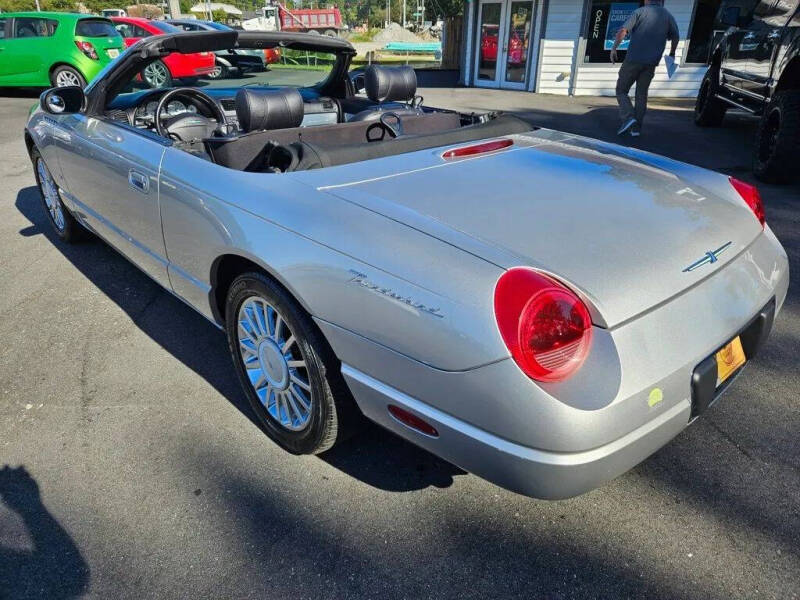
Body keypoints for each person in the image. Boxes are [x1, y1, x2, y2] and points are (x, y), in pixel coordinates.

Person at [611, 0, 679, 137]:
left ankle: (629, 118)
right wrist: (672, 53)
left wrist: (614, 48)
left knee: (621, 90)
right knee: (641, 95)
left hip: (633, 60)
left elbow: (623, 31)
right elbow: (676, 36)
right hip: (651, 63)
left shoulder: (639, 12)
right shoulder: (668, 15)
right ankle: (636, 130)